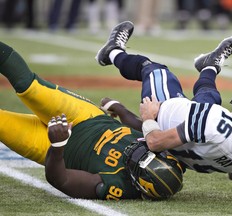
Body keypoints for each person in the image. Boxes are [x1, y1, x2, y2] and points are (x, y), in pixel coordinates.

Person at [96, 21, 232, 181]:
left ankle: (112, 52)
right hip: (191, 149)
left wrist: (148, 118)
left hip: (164, 117)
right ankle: (209, 65)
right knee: (208, 98)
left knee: (154, 70)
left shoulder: (211, 120)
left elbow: (154, 142)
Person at [0, 41, 183, 200]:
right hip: (85, 117)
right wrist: (121, 109)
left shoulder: (117, 186)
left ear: (138, 184)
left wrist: (58, 144)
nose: (135, 152)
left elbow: (60, 179)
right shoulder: (162, 148)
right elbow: (142, 127)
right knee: (29, 86)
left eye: (137, 161)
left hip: (54, 147)